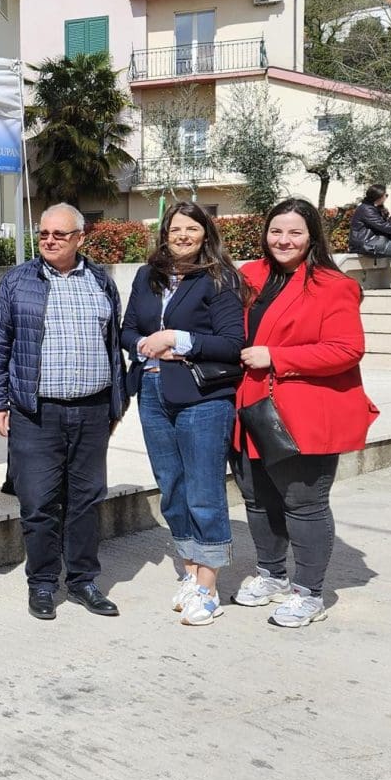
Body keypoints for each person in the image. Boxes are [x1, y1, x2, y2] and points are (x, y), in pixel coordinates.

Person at [232, 198, 379, 627]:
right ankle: (271, 574)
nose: (284, 240)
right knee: (257, 499)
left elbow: (347, 349)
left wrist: (277, 356)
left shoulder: (333, 285)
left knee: (304, 503)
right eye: (276, 231)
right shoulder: (250, 275)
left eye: (295, 232)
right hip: (249, 405)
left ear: (312, 236)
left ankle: (309, 592)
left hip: (301, 413)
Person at [0, 203, 127, 621]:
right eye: (43, 233)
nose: (48, 240)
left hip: (92, 410)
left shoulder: (100, 280)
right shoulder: (17, 281)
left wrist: (116, 403)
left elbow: (112, 345)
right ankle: (43, 583)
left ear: (80, 238)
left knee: (86, 500)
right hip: (36, 413)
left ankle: (82, 580)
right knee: (39, 502)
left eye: (59, 234)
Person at [121, 203, 247, 625]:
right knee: (171, 486)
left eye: (192, 228)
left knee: (204, 490)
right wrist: (145, 345)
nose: (183, 236)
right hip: (152, 391)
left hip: (202, 396)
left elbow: (232, 343)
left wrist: (178, 339)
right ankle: (191, 571)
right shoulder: (147, 275)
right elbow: (127, 330)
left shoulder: (220, 278)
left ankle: (208, 587)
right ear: (165, 233)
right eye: (176, 228)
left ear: (205, 233)